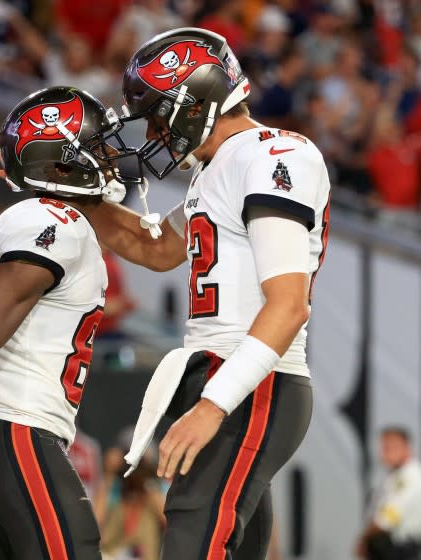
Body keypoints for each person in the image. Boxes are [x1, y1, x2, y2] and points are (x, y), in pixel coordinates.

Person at [113, 27, 330, 559]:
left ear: (196, 103)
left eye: (162, 114)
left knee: (193, 535)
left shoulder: (273, 155)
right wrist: (71, 190)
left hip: (252, 382)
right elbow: (159, 249)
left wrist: (213, 405)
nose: (157, 132)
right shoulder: (220, 166)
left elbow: (288, 305)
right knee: (235, 545)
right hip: (227, 377)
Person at [0, 86, 151, 558]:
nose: (109, 155)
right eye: (96, 146)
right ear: (61, 162)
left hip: (4, 431)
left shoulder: (50, 219)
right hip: (15, 430)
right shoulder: (55, 221)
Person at [357, 427, 421, 559]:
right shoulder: (396, 476)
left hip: (399, 549)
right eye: (384, 448)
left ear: (406, 447)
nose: (385, 453)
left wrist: (364, 541)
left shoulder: (408, 478)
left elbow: (386, 519)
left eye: (391, 448)